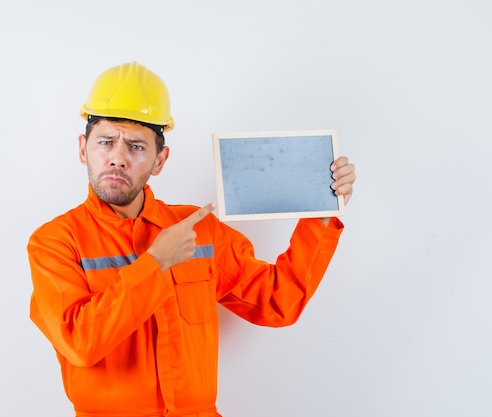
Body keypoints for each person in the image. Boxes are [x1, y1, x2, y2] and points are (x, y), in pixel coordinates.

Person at [27, 61, 356, 417]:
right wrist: (156, 264)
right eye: (106, 142)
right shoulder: (55, 242)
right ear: (83, 149)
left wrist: (321, 214)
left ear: (160, 160)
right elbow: (80, 343)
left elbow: (279, 301)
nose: (118, 159)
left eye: (137, 147)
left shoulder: (198, 230)